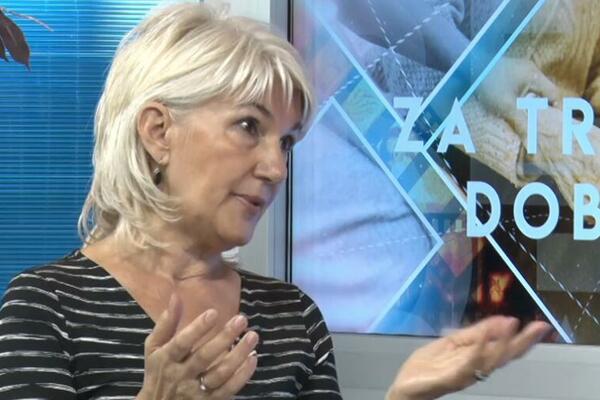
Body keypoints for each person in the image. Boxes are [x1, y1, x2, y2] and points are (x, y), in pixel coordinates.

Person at [0, 2, 551, 399]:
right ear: (158, 131)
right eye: (248, 126)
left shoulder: (292, 318)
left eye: (286, 142)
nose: (276, 168)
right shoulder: (46, 308)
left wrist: (402, 394)